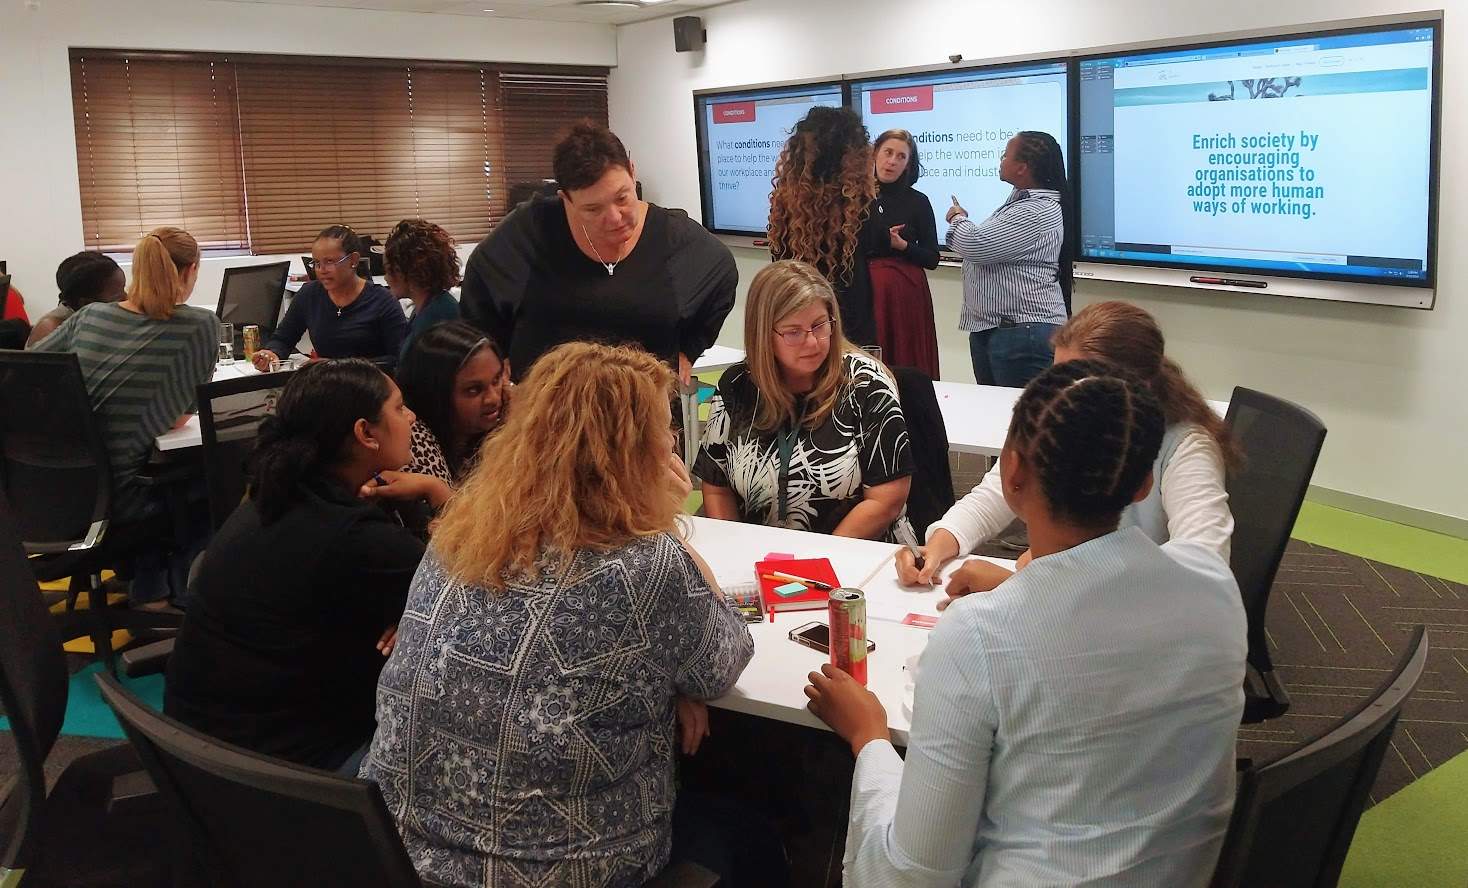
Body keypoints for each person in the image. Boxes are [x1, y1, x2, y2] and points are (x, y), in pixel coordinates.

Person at [806, 360, 1248, 887]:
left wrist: (869, 738)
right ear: (1143, 484)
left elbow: (912, 876)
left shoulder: (977, 637)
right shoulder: (1216, 590)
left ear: (1011, 474)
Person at [362, 342, 765, 887]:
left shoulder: (458, 534)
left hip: (395, 853)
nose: (672, 440)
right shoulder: (645, 564)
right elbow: (724, 661)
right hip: (555, 870)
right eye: (663, 429)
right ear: (632, 451)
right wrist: (662, 522)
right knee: (754, 827)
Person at [165, 359, 433, 774]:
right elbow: (469, 602)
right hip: (286, 774)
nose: (412, 416)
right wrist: (437, 491)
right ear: (365, 433)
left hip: (200, 750)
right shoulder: (357, 539)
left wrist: (413, 611)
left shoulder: (271, 498)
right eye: (399, 409)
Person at [898, 300, 1238, 593]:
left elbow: (1204, 569)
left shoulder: (1186, 447)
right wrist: (942, 542)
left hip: (1135, 623)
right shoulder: (1064, 419)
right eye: (1057, 375)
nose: (1061, 391)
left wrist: (1026, 584)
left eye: (1077, 379)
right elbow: (995, 496)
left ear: (1135, 386)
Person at [459, 123, 737, 384]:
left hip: (645, 418)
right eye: (593, 209)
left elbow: (723, 274)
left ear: (632, 171)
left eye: (622, 197)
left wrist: (689, 349)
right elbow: (478, 290)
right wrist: (496, 362)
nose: (614, 218)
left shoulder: (675, 240)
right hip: (545, 419)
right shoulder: (530, 233)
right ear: (565, 199)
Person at [32, 227, 219, 606]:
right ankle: (172, 594)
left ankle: (147, 581)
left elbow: (28, 369)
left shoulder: (89, 318)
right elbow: (177, 419)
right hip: (117, 503)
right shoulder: (199, 326)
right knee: (213, 477)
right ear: (190, 271)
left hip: (42, 497)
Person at [695, 261, 917, 544]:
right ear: (764, 334)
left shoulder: (866, 384)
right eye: (793, 332)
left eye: (819, 325)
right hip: (759, 557)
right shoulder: (737, 385)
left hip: (855, 555)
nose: (812, 342)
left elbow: (886, 501)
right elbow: (716, 487)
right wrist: (734, 548)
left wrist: (812, 563)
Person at [946, 130, 1072, 387]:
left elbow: (975, 244)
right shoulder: (1019, 204)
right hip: (1000, 329)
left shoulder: (1036, 210)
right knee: (996, 416)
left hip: (1022, 334)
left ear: (1022, 168)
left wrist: (957, 218)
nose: (1000, 159)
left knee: (1024, 420)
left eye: (1005, 155)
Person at [767, 106, 883, 348]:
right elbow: (877, 242)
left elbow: (777, 255)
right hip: (849, 317)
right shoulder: (859, 202)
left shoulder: (785, 200)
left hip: (795, 308)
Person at [254, 225, 407, 370]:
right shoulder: (309, 294)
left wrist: (336, 365)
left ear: (353, 260)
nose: (321, 270)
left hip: (372, 387)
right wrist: (272, 353)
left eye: (329, 262)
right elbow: (283, 338)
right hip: (328, 385)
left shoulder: (382, 300)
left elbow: (398, 359)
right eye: (317, 263)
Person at [393, 320, 510, 496]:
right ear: (436, 394)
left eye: (496, 380)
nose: (493, 398)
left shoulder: (507, 416)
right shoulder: (414, 442)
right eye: (474, 390)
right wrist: (438, 492)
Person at [865, 129, 941, 377]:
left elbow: (932, 258)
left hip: (906, 295)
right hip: (865, 291)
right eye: (888, 153)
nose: (892, 161)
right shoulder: (856, 196)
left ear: (909, 164)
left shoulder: (918, 201)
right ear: (875, 154)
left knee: (907, 363)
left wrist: (902, 246)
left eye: (901, 156)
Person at [383, 218, 461, 361]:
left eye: (389, 269)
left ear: (407, 271)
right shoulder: (426, 307)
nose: (386, 278)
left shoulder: (438, 318)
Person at [25, 251, 127, 348]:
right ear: (86, 303)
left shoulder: (99, 321)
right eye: (118, 297)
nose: (126, 298)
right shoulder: (51, 330)